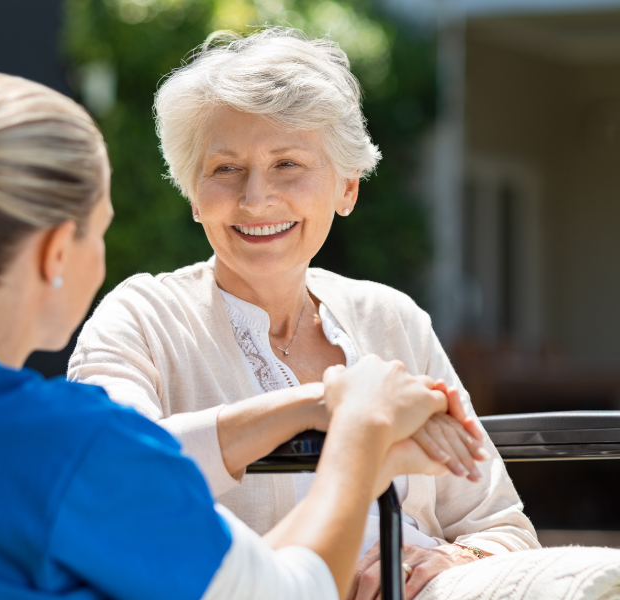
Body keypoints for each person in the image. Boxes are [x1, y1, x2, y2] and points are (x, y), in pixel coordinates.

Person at [0, 71, 472, 600]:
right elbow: (285, 595)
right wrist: (359, 434)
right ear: (54, 253)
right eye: (100, 231)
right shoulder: (77, 446)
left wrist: (318, 406)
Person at [66, 27, 540, 599]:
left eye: (287, 163)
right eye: (225, 169)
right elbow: (113, 476)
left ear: (347, 188)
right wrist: (323, 407)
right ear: (194, 195)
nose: (255, 198)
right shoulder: (140, 318)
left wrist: (442, 561)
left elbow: (501, 526)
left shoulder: (393, 318)